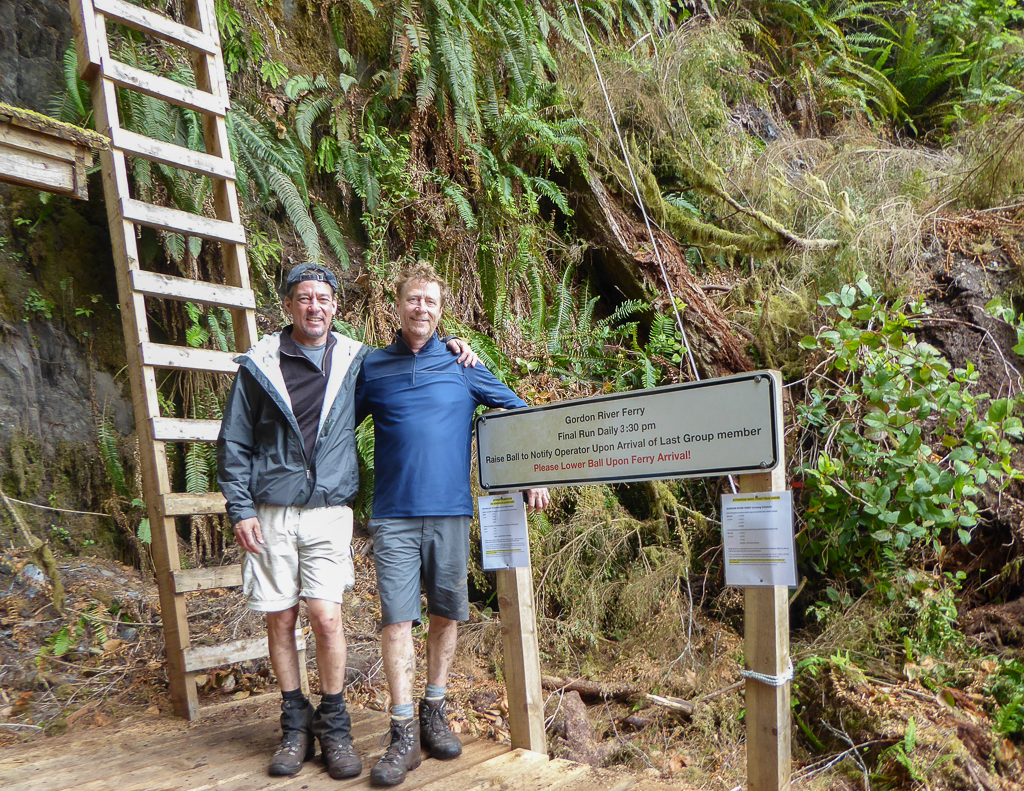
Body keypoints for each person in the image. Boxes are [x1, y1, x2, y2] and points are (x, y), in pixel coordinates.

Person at [217, 263, 477, 779]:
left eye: (324, 299)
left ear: (337, 306)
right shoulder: (262, 364)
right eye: (304, 298)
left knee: (326, 616)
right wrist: (240, 506)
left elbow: (420, 366)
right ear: (289, 305)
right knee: (282, 617)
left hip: (332, 509)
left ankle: (335, 724)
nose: (315, 307)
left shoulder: (357, 360)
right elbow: (235, 439)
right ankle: (296, 724)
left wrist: (458, 346)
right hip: (273, 507)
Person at [355, 262, 550, 787]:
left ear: (442, 311)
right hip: (393, 516)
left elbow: (516, 409)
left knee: (445, 614)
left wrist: (533, 472)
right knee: (397, 620)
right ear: (396, 305)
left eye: (431, 302)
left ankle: (433, 711)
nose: (422, 308)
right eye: (413, 299)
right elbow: (334, 429)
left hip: (450, 513)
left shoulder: (462, 363)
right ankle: (400, 733)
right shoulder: (372, 367)